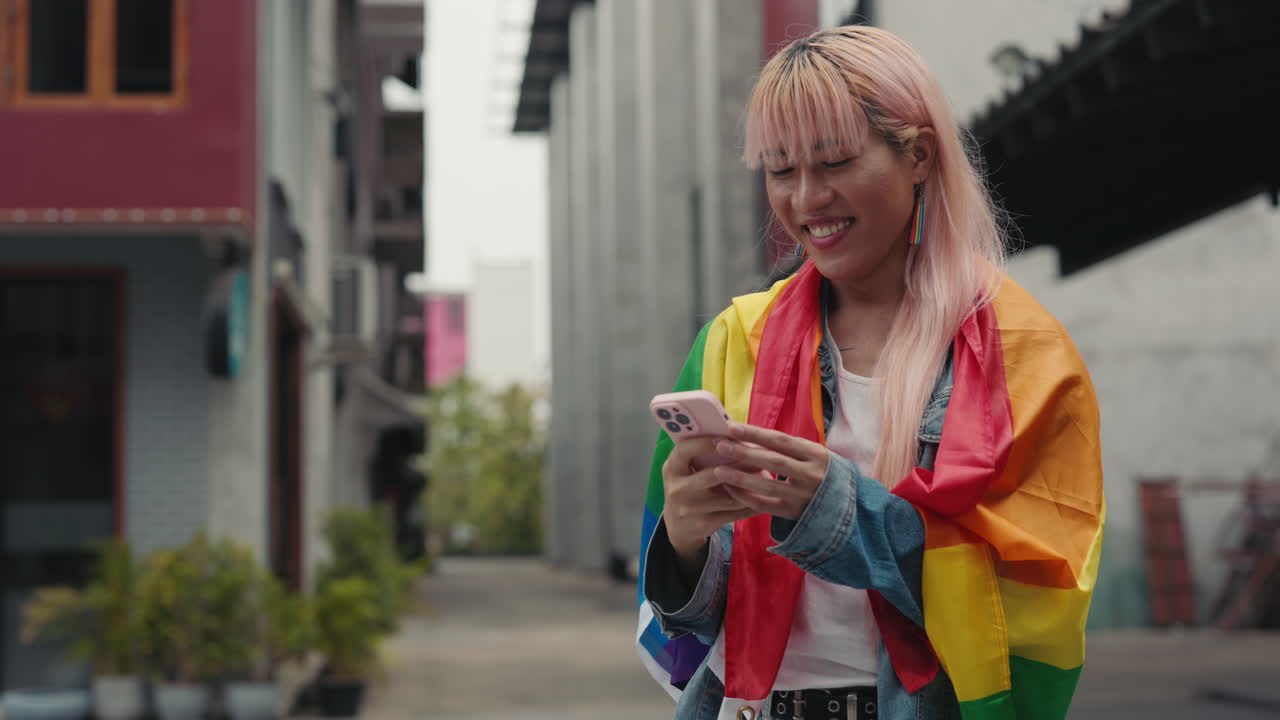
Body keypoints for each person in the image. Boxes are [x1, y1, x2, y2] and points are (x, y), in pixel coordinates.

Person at [636, 26, 1104, 720]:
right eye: (780, 169)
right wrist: (683, 539)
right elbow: (685, 626)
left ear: (918, 155)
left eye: (834, 162)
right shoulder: (731, 340)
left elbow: (1037, 602)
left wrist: (837, 510)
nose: (805, 198)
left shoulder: (1024, 352)